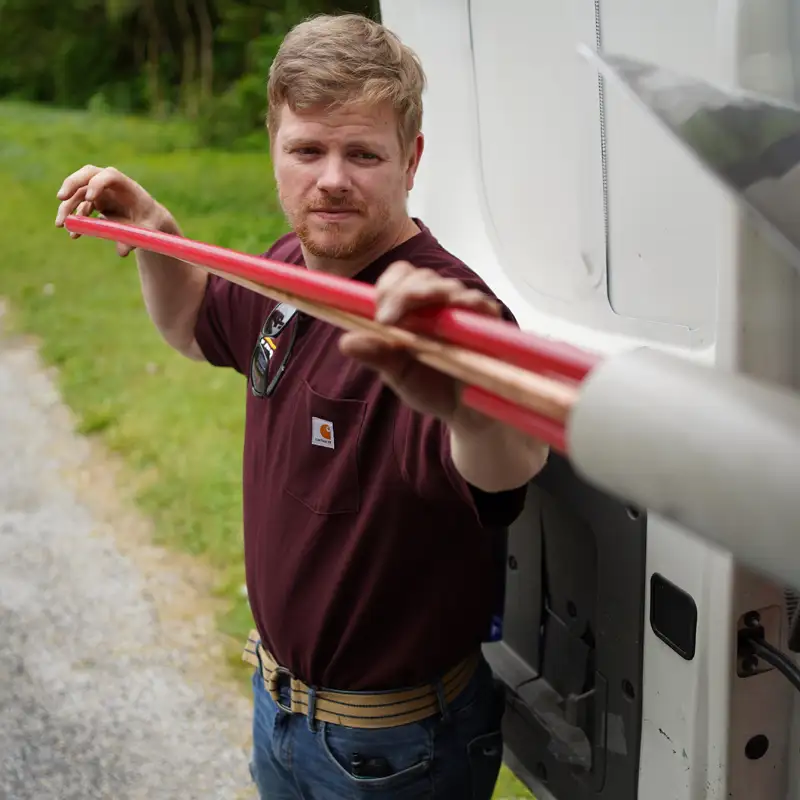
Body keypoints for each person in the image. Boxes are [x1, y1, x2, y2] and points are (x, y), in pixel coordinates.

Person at [54, 12, 549, 798]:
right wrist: (154, 234)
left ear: (410, 160)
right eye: (307, 150)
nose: (331, 179)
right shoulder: (292, 266)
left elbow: (505, 465)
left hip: (392, 752)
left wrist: (468, 401)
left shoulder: (441, 314)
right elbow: (193, 325)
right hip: (279, 710)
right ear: (275, 151)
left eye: (363, 154)